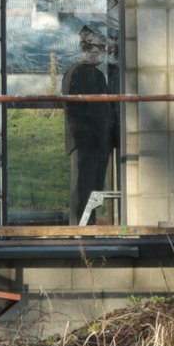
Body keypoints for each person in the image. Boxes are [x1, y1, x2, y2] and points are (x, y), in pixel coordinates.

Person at [63, 23, 120, 212]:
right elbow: (74, 113)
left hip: (100, 143)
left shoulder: (96, 74)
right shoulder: (77, 72)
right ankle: (80, 234)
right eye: (100, 48)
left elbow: (108, 108)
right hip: (86, 144)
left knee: (94, 193)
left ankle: (88, 231)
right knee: (83, 192)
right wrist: (88, 138)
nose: (103, 53)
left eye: (104, 49)